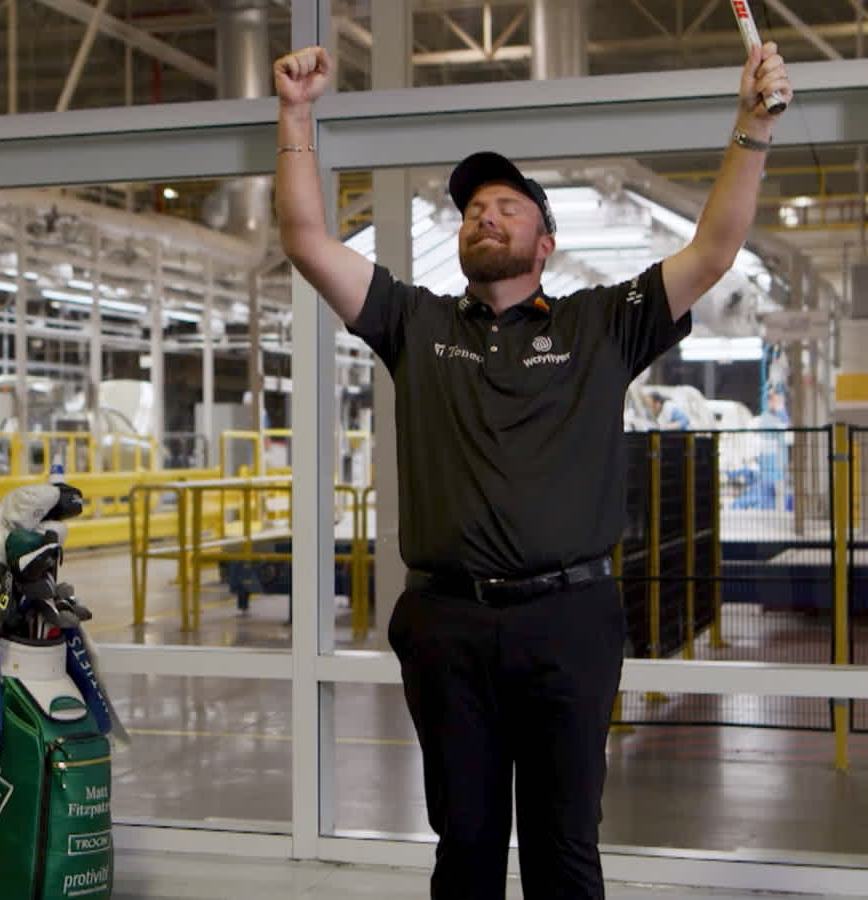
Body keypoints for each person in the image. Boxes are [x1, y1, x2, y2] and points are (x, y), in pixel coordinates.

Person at [273, 41, 788, 899]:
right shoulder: (415, 322)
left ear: (545, 241)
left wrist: (751, 127)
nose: (485, 216)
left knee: (564, 850)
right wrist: (296, 114)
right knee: (466, 848)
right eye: (474, 208)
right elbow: (305, 238)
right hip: (447, 624)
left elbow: (713, 250)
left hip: (570, 622)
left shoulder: (601, 323)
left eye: (507, 207)